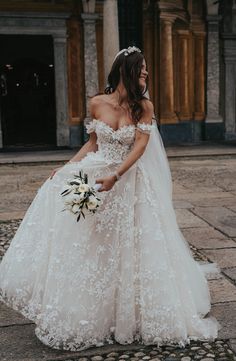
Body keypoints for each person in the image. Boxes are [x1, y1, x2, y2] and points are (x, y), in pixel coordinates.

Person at [0, 46, 219, 351]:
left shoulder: (143, 106)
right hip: (97, 177)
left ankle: (133, 312)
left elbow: (139, 147)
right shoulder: (97, 103)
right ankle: (94, 310)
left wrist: (117, 176)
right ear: (125, 71)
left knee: (133, 245)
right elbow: (92, 143)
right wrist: (67, 168)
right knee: (95, 245)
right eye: (141, 69)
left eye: (145, 70)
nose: (145, 74)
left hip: (129, 183)